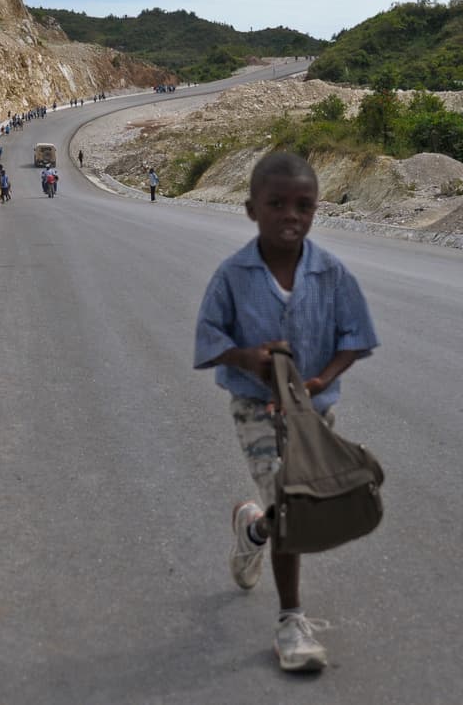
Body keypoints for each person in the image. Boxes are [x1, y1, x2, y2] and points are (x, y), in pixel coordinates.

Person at [193, 152, 378, 673]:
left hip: (313, 412)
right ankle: (291, 622)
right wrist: (244, 357)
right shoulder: (233, 276)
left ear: (316, 211)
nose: (290, 215)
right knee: (292, 505)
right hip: (256, 410)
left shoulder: (331, 273)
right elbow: (211, 336)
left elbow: (354, 337)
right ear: (252, 209)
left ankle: (253, 530)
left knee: (306, 502)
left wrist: (323, 378)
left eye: (303, 205)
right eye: (276, 205)